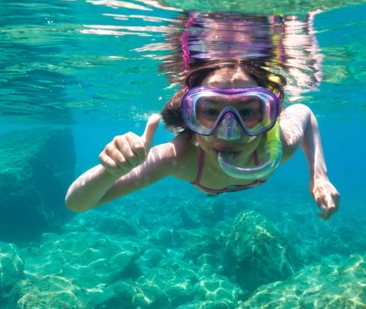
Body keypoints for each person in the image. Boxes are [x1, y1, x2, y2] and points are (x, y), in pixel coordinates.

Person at [65, 59, 340, 220]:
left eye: (247, 111)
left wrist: (320, 176)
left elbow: (304, 112)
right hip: (205, 186)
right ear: (190, 118)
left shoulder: (276, 146)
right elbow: (76, 203)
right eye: (210, 112)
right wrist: (110, 171)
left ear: (268, 114)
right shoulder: (178, 158)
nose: (228, 132)